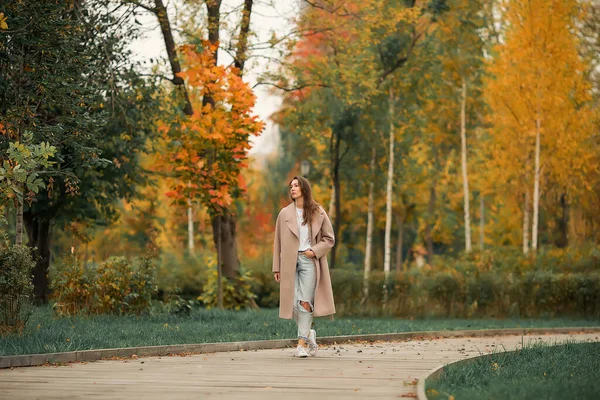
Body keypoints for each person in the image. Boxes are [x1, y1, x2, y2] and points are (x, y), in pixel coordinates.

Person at [272, 176, 336, 358]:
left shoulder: (318, 212)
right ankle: (309, 333)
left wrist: (314, 251)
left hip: (309, 261)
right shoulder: (284, 214)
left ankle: (301, 344)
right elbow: (277, 242)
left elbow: (329, 239)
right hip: (288, 262)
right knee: (292, 303)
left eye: (296, 185)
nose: (292, 188)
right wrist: (276, 267)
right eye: (291, 186)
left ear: (304, 189)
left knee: (305, 303)